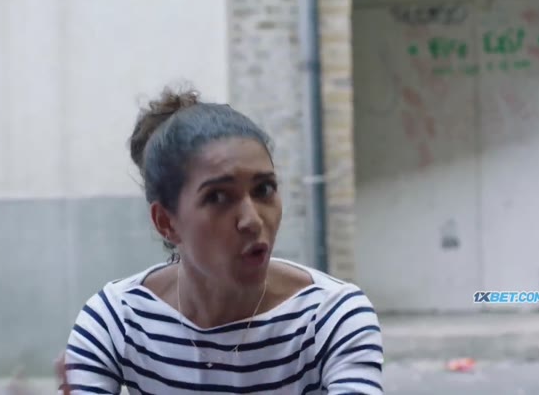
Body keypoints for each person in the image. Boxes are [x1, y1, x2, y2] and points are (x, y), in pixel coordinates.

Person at [57, 86, 384, 394]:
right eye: (218, 197)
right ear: (166, 222)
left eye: (264, 189)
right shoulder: (117, 320)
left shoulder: (331, 316)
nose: (252, 220)